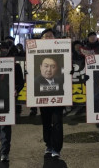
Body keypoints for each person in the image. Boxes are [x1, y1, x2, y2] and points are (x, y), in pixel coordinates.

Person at [0, 42, 25, 162]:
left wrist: (16, 89)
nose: (2, 51)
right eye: (0, 49)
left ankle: (5, 151)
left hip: (9, 99)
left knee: (5, 125)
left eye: (5, 49)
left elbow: (21, 83)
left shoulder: (15, 66)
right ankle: (3, 144)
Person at [37, 28, 64, 158]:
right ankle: (48, 144)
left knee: (57, 122)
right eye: (45, 36)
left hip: (59, 96)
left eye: (51, 36)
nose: (48, 38)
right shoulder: (34, 52)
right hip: (42, 97)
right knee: (46, 122)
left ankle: (57, 148)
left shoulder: (62, 51)